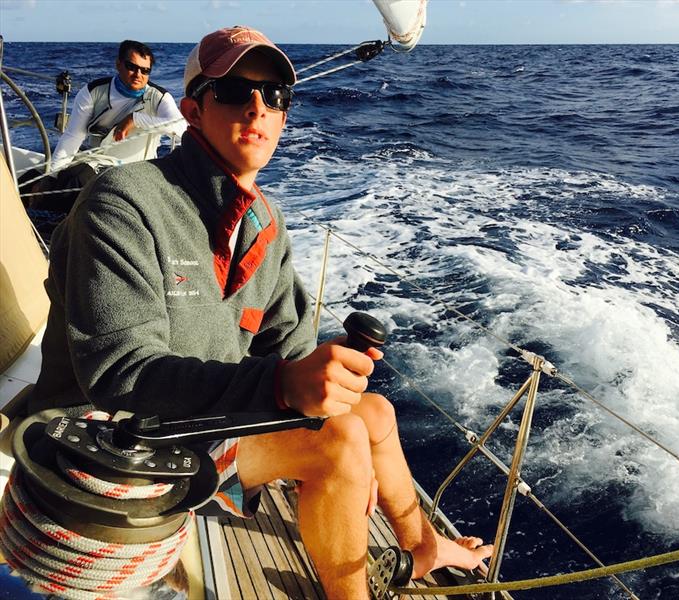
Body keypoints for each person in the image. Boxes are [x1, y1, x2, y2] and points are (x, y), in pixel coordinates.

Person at [28, 26, 492, 598]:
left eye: (274, 96)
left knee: (374, 414)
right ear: (194, 111)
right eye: (234, 91)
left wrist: (318, 386)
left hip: (200, 423)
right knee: (340, 442)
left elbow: (293, 348)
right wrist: (284, 390)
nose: (258, 106)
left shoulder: (263, 225)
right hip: (109, 440)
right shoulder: (123, 202)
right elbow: (118, 375)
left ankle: (422, 544)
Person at [51, 39, 185, 170]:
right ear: (118, 64)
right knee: (57, 178)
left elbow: (181, 128)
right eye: (132, 67)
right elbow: (73, 137)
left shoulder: (160, 97)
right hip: (96, 166)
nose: (138, 75)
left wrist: (136, 119)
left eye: (145, 70)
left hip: (139, 172)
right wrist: (51, 176)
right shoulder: (92, 92)